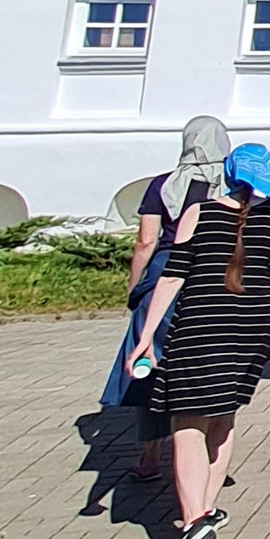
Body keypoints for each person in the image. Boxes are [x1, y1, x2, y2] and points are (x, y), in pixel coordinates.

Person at [129, 141, 270, 539]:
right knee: (224, 417)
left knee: (186, 424)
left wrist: (146, 336)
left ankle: (192, 519)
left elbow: (172, 278)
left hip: (201, 326)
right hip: (251, 329)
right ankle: (206, 506)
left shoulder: (198, 214)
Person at [101, 116, 229, 481]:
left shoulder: (163, 185)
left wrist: (134, 285)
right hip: (212, 278)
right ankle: (206, 453)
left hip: (164, 277)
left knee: (149, 365)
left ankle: (149, 454)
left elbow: (145, 241)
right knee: (208, 366)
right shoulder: (230, 185)